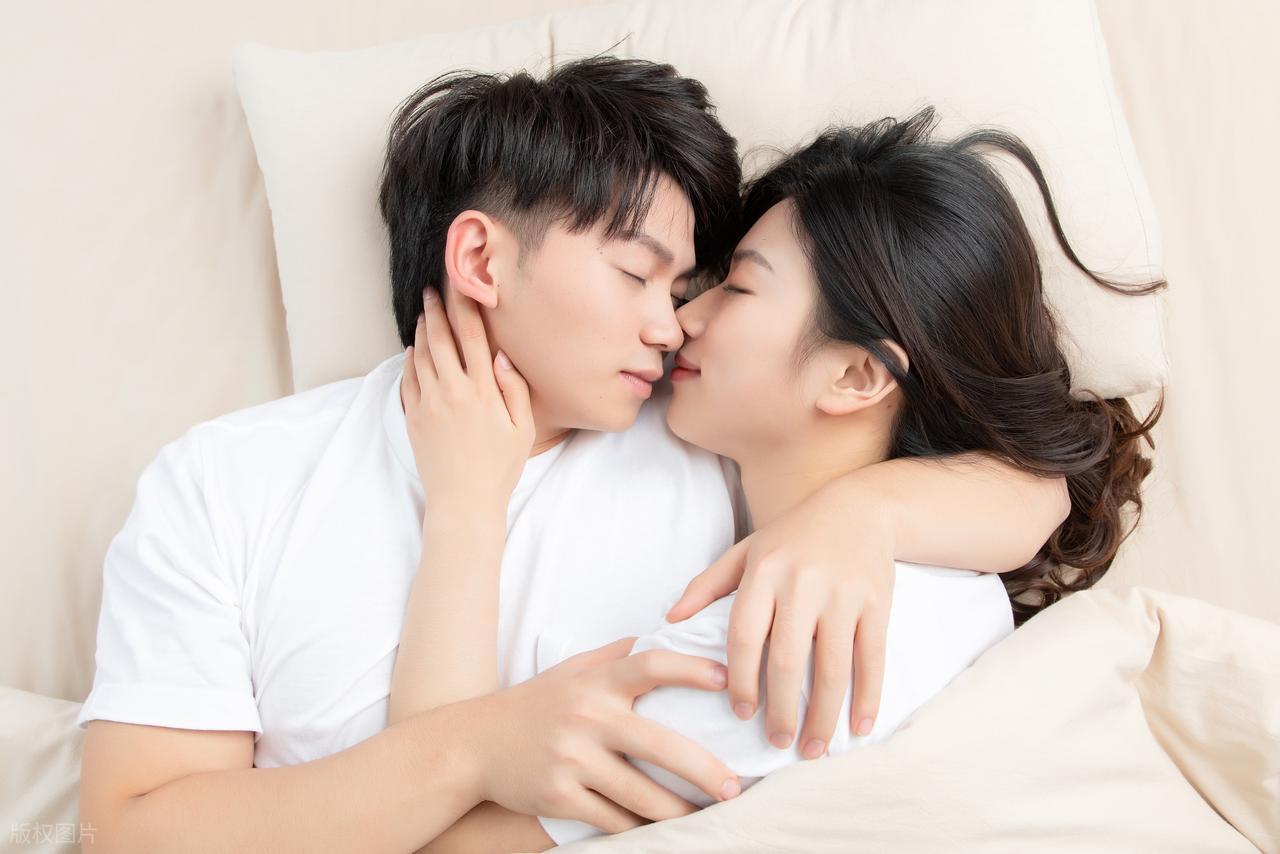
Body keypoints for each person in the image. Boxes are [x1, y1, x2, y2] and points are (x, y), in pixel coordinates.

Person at [76, 59, 1067, 854]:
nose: (673, 324)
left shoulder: (710, 427)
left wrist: (863, 515)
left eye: (694, 286)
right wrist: (474, 715)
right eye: (638, 274)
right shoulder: (229, 480)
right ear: (480, 259)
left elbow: (1029, 483)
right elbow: (120, 831)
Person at [396, 107, 1160, 848]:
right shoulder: (950, 570)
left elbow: (426, 833)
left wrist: (465, 505)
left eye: (737, 287)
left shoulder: (784, 644)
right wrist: (866, 510)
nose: (680, 321)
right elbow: (1038, 485)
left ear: (857, 375)